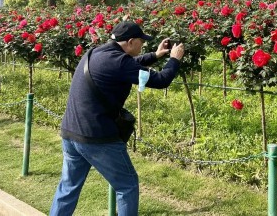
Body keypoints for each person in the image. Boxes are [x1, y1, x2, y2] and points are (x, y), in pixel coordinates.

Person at [50, 21, 185, 216]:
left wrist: (155, 55)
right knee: (127, 185)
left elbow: (129, 65)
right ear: (130, 42)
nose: (142, 46)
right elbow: (161, 80)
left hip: (70, 132)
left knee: (68, 187)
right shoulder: (120, 62)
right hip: (96, 137)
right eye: (141, 42)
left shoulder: (94, 53)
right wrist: (174, 59)